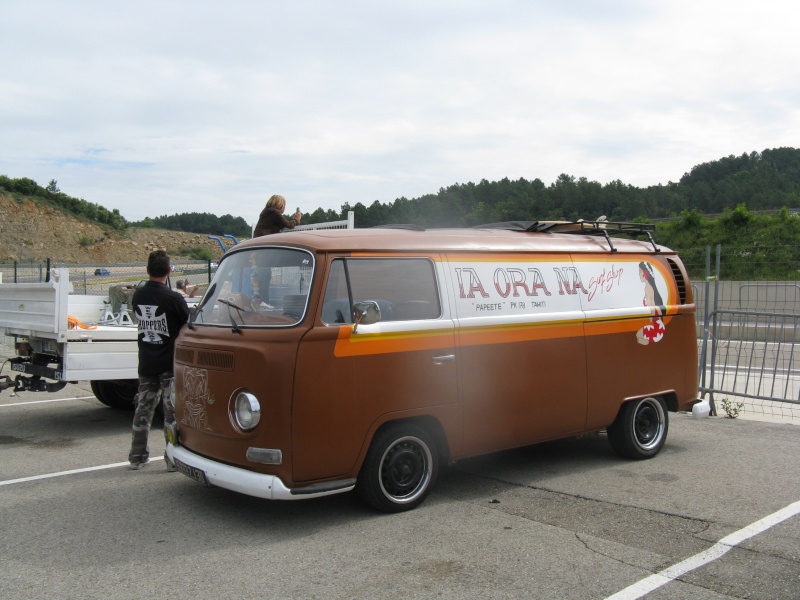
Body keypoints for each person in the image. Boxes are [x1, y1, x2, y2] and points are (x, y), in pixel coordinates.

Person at [128, 250, 190, 470]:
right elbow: (188, 322)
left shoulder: (138, 296)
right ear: (169, 270)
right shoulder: (173, 298)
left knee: (143, 410)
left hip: (146, 361)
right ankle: (171, 459)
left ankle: (137, 457)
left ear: (147, 270)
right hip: (168, 364)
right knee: (170, 413)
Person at [252, 194, 303, 306]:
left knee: (262, 277)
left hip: (259, 248)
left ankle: (262, 301)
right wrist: (297, 218)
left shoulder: (266, 213)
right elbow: (288, 225)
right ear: (280, 204)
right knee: (265, 276)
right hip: (265, 249)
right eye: (284, 205)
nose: (284, 208)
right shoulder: (274, 213)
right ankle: (264, 302)